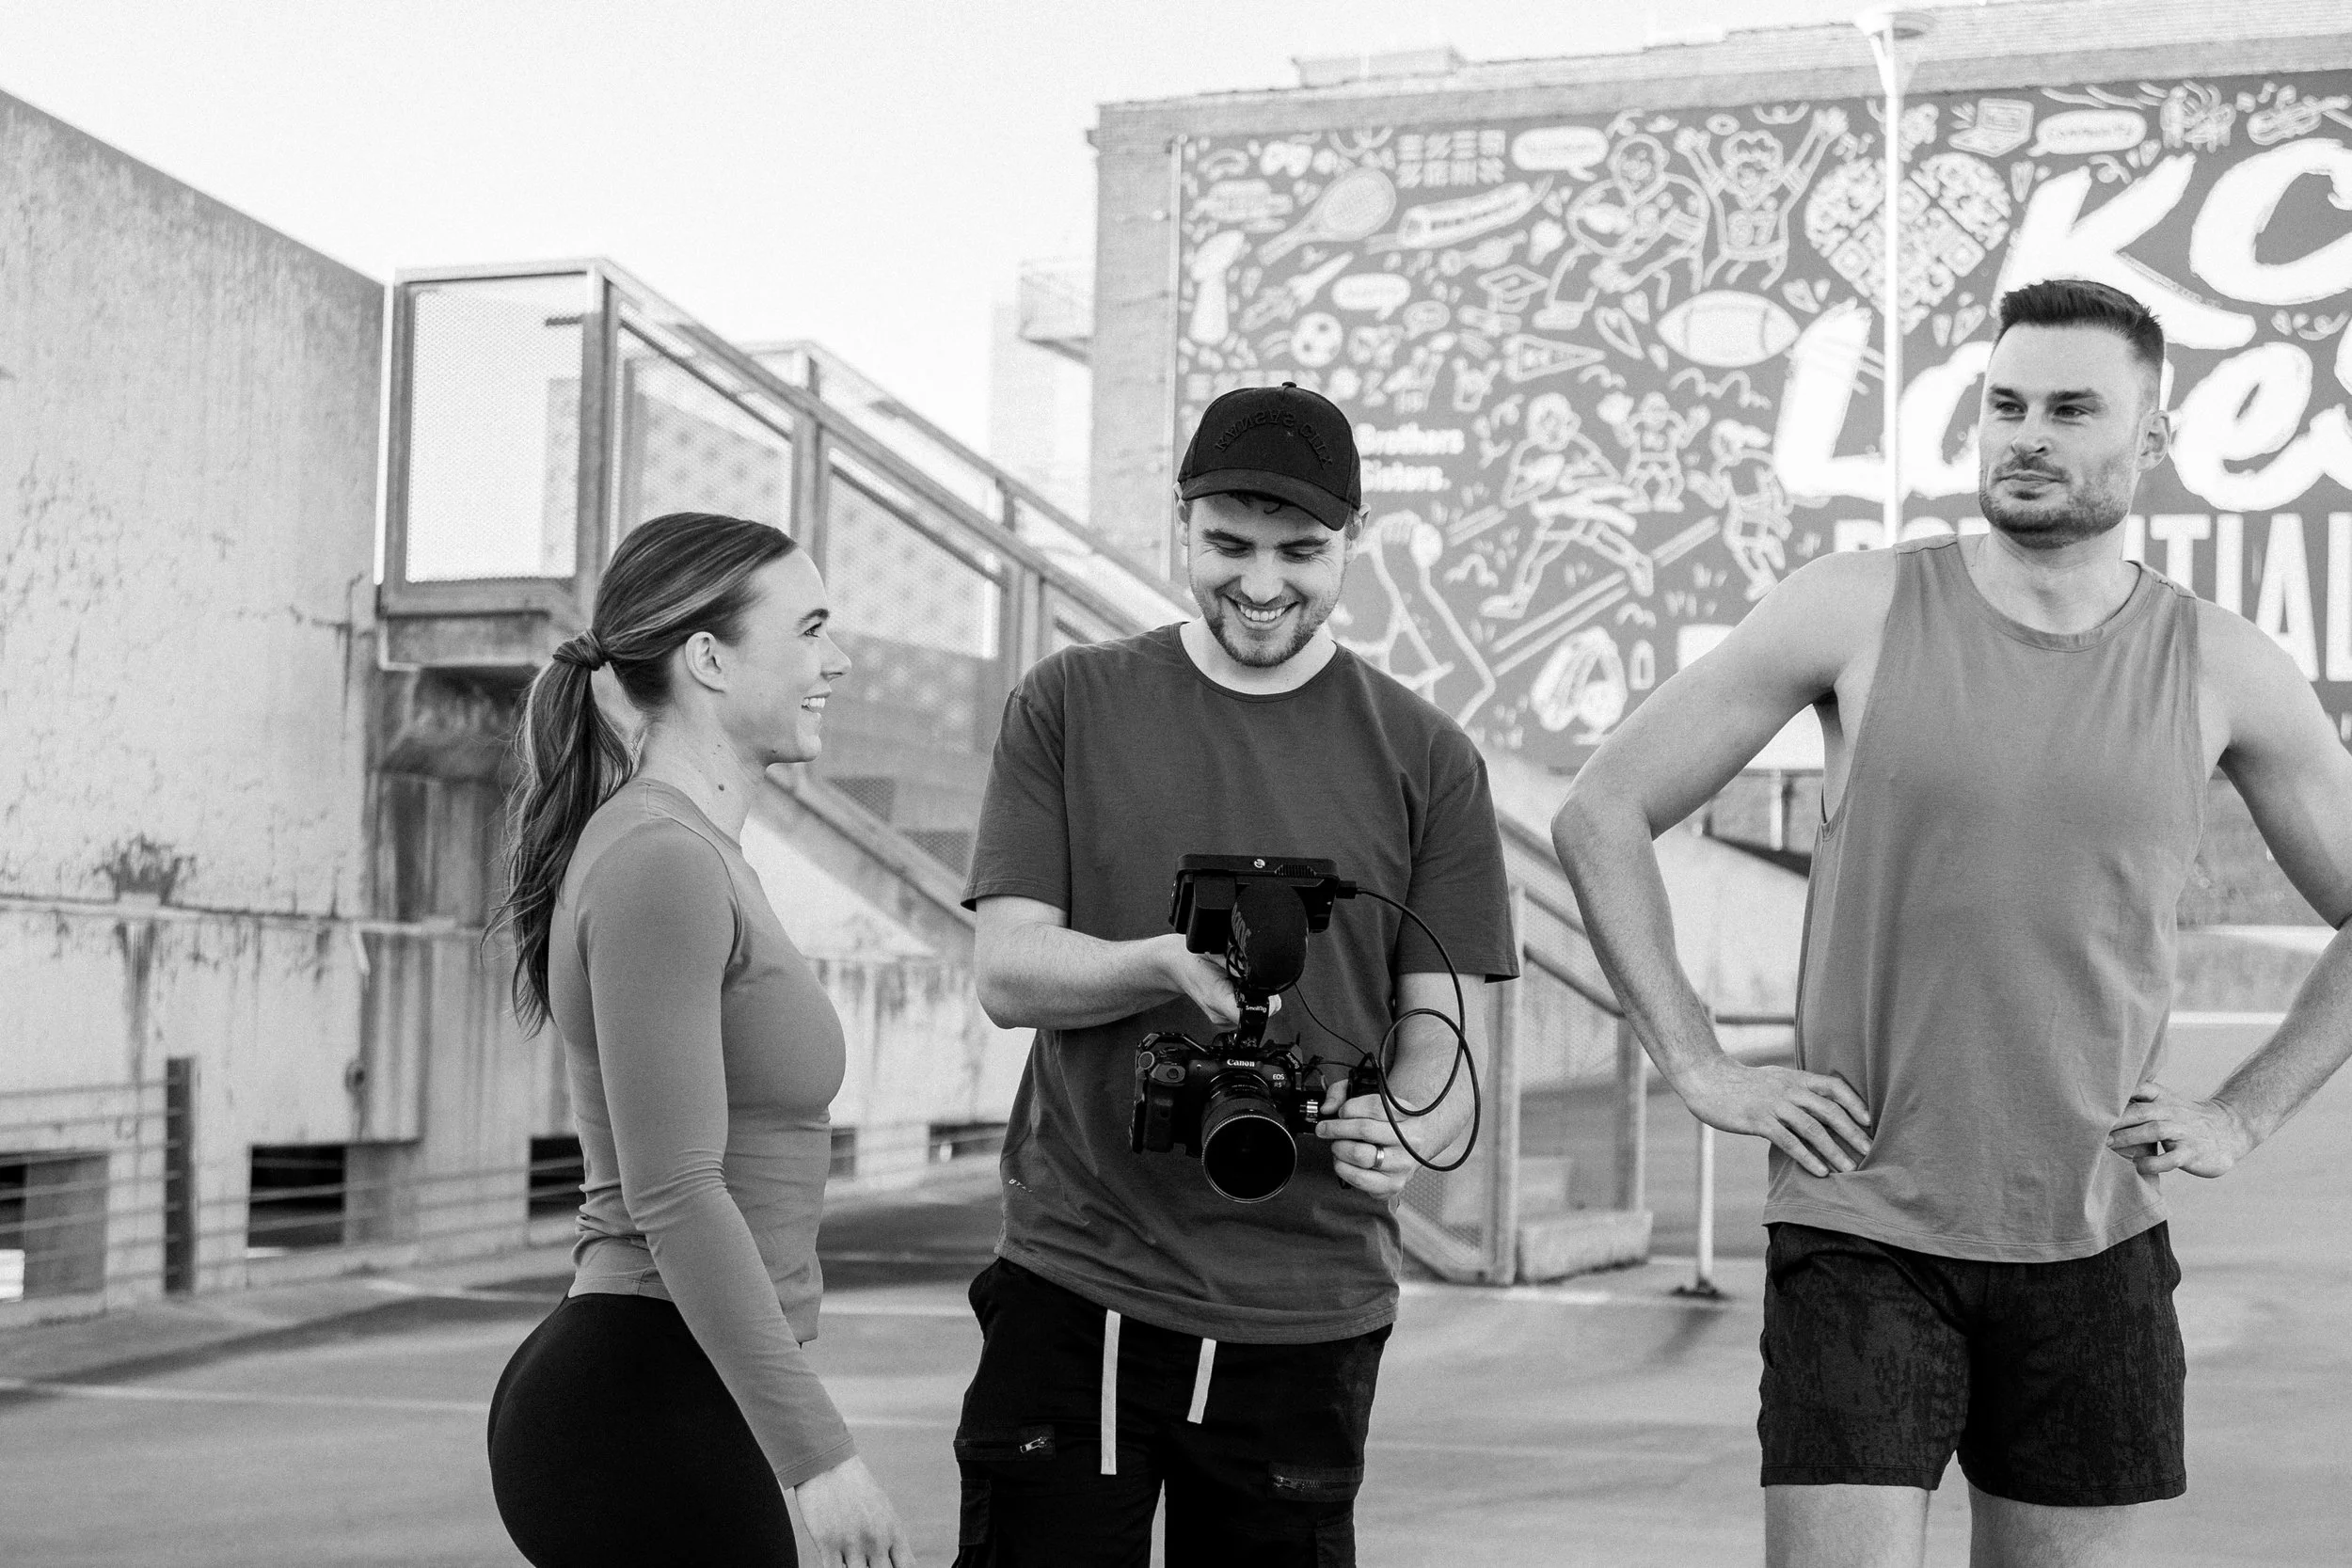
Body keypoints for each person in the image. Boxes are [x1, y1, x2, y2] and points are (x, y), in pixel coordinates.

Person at [1549, 277, 2352, 1568]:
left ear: (2153, 437)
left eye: (2072, 407)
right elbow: (1602, 810)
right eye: (2005, 403)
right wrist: (1695, 1061)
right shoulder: (1855, 606)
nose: (2026, 432)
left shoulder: (2219, 664)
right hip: (1864, 1221)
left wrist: (2243, 1108)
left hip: (2095, 1237)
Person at [952, 383, 1518, 1566]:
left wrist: (1406, 1129)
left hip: (1308, 1309)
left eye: (1301, 552)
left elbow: (1447, 1040)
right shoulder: (1068, 704)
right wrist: (1148, 966)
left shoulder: (1428, 757)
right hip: (1079, 1280)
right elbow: (1007, 968)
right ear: (1180, 523)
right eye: (1228, 545)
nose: (1261, 584)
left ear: (1352, 543)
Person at [485, 512, 916, 1568]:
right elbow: (675, 1187)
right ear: (709, 658)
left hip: (676, 1385)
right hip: (639, 1397)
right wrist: (819, 1456)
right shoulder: (660, 859)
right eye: (811, 628)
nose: (838, 659)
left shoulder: (696, 850)